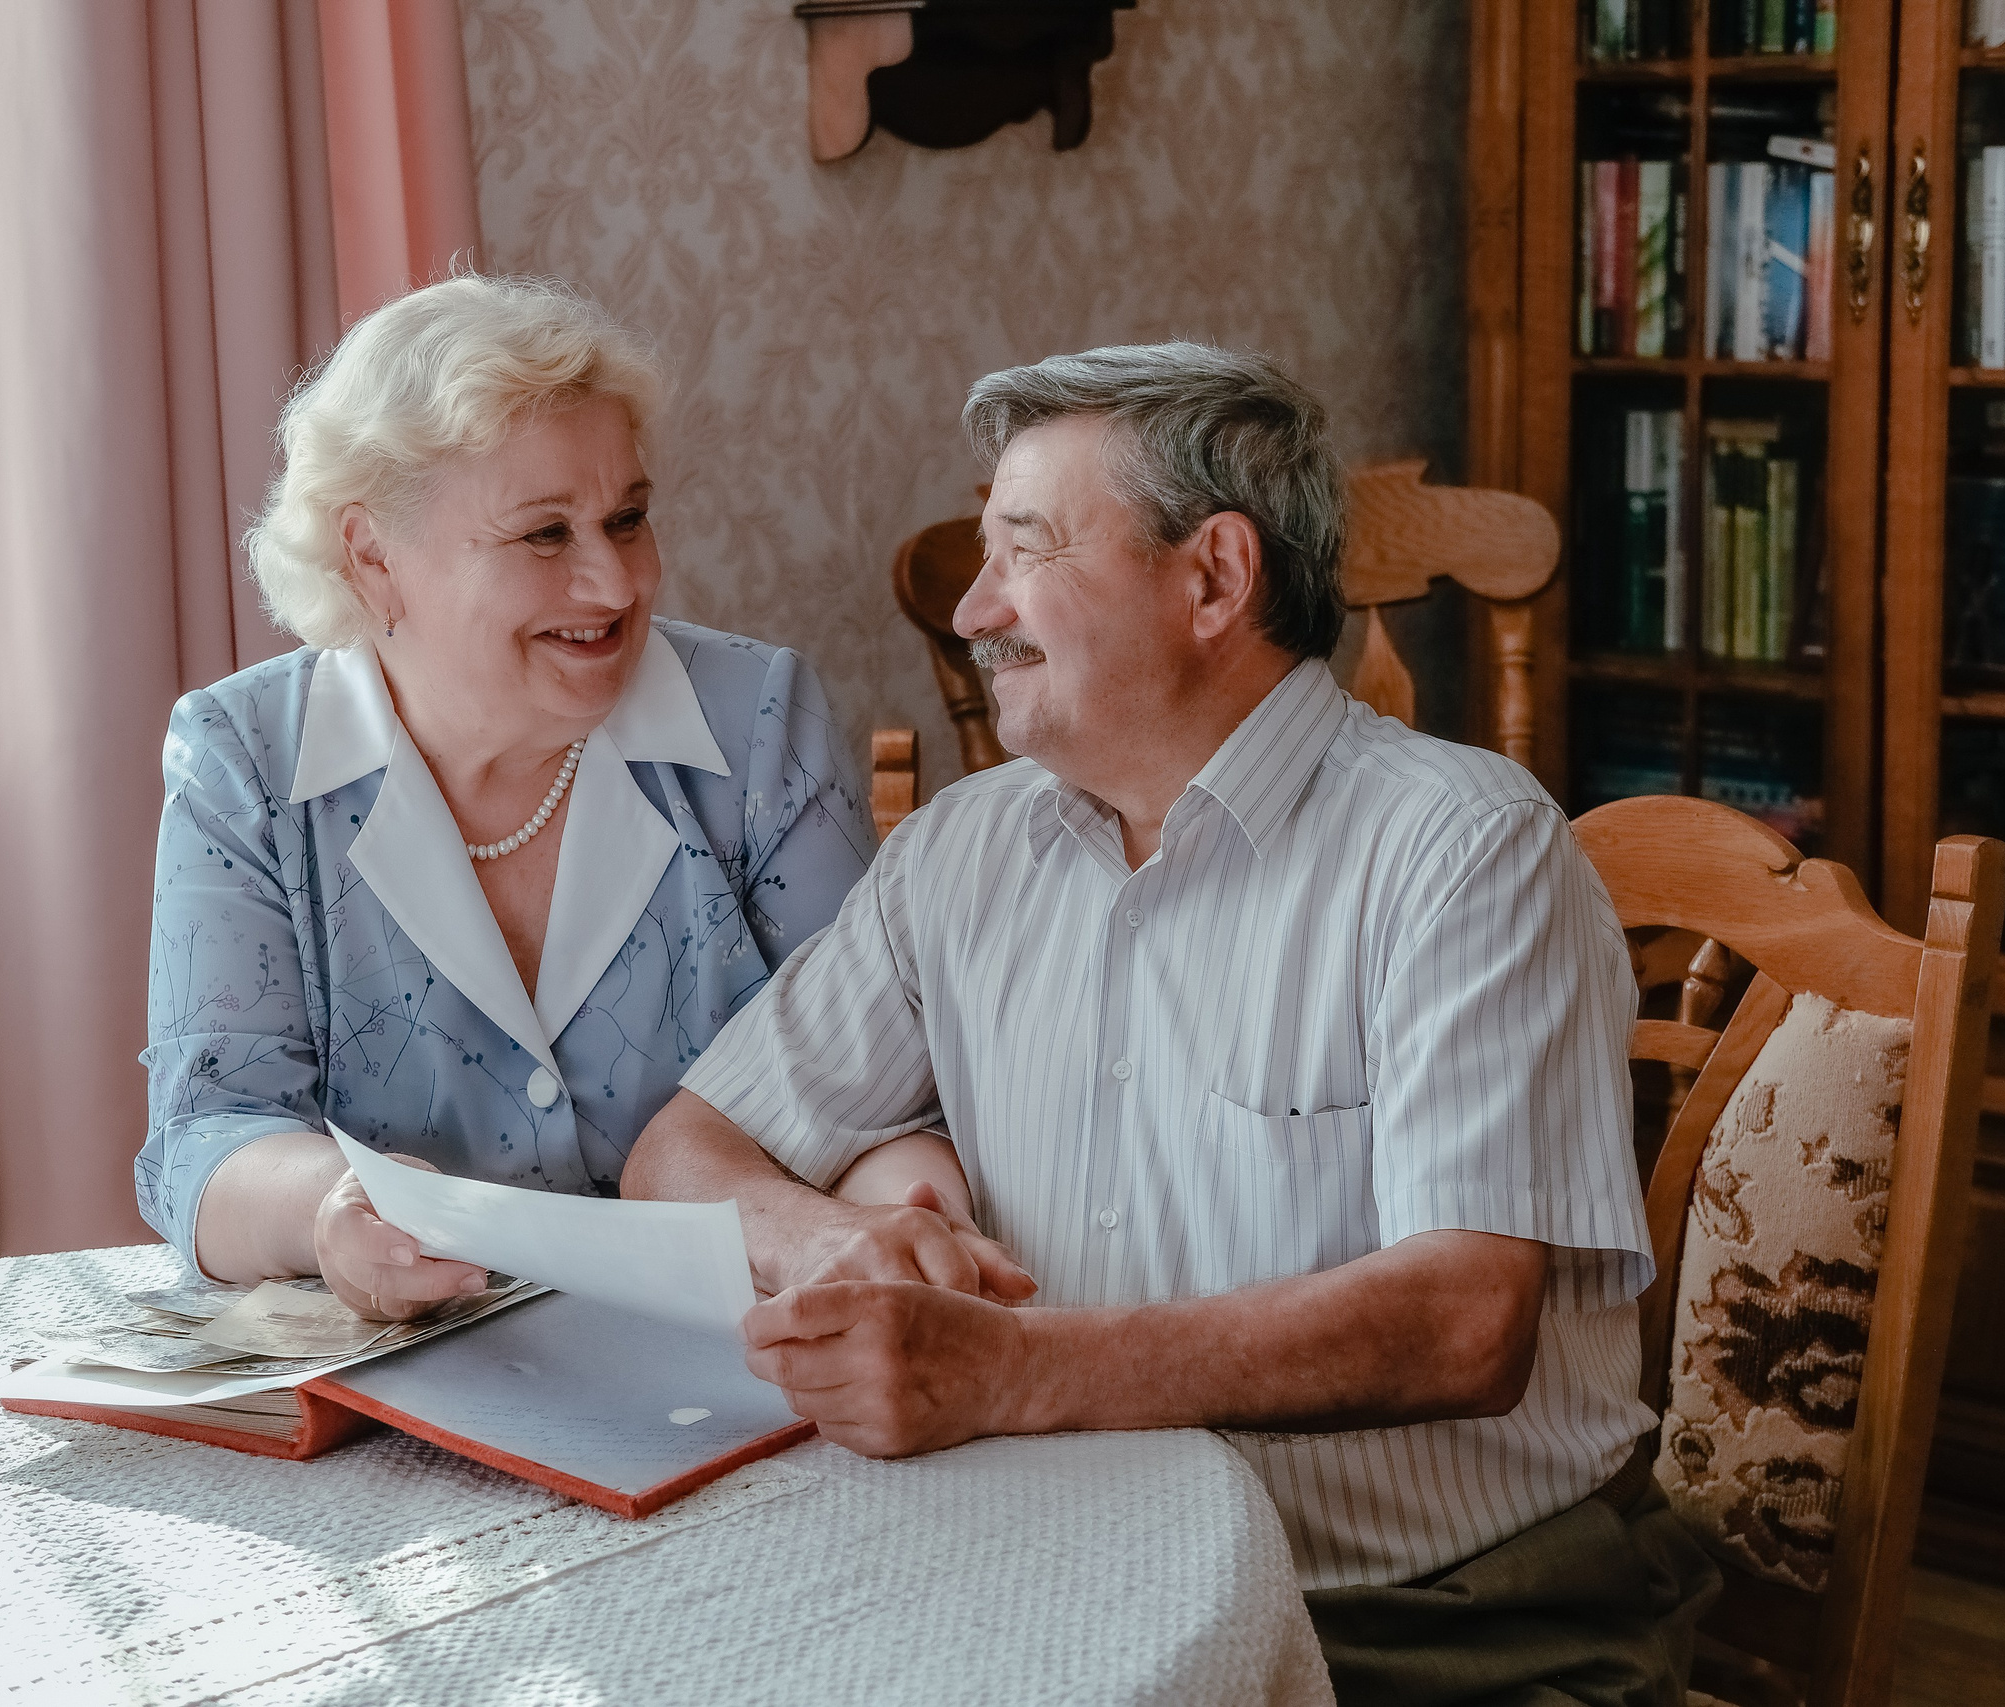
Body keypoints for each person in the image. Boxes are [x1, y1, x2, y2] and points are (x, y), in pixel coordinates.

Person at [623, 343, 1722, 1705]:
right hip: (1067, 1571)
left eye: (1023, 551)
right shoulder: (960, 850)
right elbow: (685, 1149)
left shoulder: (1466, 850)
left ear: (1213, 576)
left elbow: (1462, 1324)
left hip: (1449, 1623)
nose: (973, 609)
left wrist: (1012, 1370)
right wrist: (847, 1242)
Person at [133, 274, 880, 1323]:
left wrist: (897, 1220)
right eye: (545, 536)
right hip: (425, 1389)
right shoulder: (246, 764)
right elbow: (207, 1137)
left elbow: (874, 1084)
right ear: (373, 557)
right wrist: (331, 1212)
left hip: (737, 1346)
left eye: (627, 520)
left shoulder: (754, 722)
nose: (615, 585)